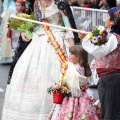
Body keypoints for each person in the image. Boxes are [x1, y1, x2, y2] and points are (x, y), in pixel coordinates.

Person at [1, 0, 74, 119]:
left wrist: (72, 49)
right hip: (37, 41)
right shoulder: (36, 4)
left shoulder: (60, 4)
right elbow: (33, 24)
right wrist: (24, 32)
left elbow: (69, 27)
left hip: (56, 42)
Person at [78, 7, 120, 120]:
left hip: (111, 78)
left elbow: (99, 51)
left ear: (113, 21)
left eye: (107, 16)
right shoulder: (112, 37)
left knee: (109, 113)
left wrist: (86, 39)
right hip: (112, 77)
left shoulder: (114, 37)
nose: (105, 18)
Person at [48, 45, 101, 120]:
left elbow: (69, 77)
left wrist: (65, 67)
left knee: (74, 111)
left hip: (75, 94)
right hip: (79, 94)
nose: (69, 56)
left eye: (71, 54)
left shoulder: (77, 67)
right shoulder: (77, 66)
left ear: (78, 57)